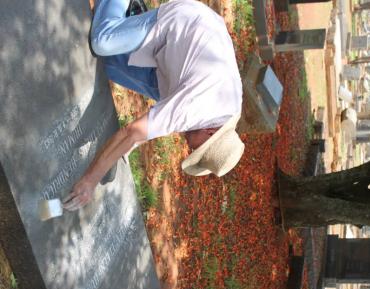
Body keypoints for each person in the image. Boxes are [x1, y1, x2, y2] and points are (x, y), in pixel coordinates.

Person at [63, 0, 244, 211]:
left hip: (180, 67)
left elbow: (153, 127)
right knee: (102, 41)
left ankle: (131, 19)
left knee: (111, 66)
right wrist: (90, 180)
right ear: (211, 132)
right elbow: (132, 132)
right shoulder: (195, 108)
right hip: (185, 23)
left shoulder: (226, 113)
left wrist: (125, 149)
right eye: (198, 148)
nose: (190, 147)